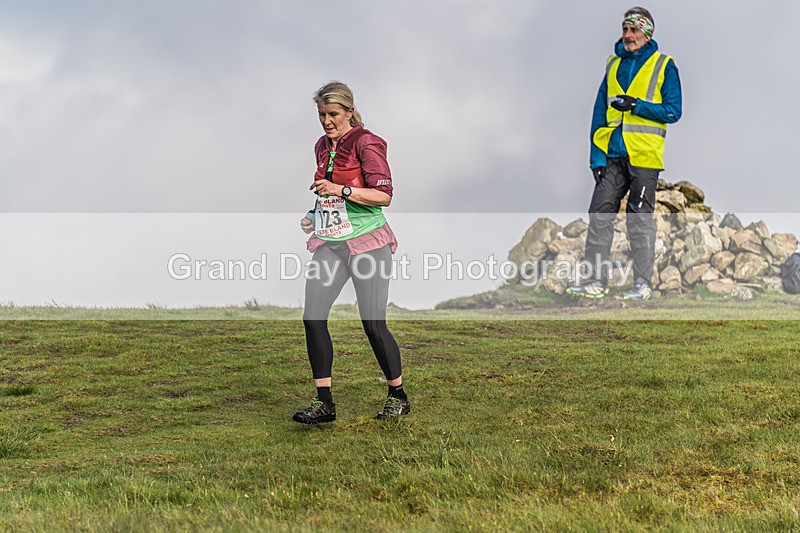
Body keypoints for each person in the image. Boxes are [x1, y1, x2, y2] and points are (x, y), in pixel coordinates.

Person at [293, 81, 410, 424]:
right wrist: (313, 215)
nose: (327, 121)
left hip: (369, 242)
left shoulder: (366, 142)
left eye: (333, 114)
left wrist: (342, 189)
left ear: (348, 111)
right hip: (332, 243)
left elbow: (383, 196)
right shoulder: (321, 145)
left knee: (372, 323)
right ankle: (324, 404)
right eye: (321, 115)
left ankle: (398, 395)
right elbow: (324, 192)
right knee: (312, 316)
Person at [567, 7, 682, 300]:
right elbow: (598, 112)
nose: (627, 35)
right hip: (612, 156)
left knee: (639, 218)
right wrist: (596, 157)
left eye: (633, 30)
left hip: (644, 158)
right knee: (599, 212)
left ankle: (642, 284)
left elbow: (673, 111)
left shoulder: (664, 65)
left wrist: (636, 106)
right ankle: (595, 281)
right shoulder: (613, 64)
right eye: (625, 29)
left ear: (647, 33)